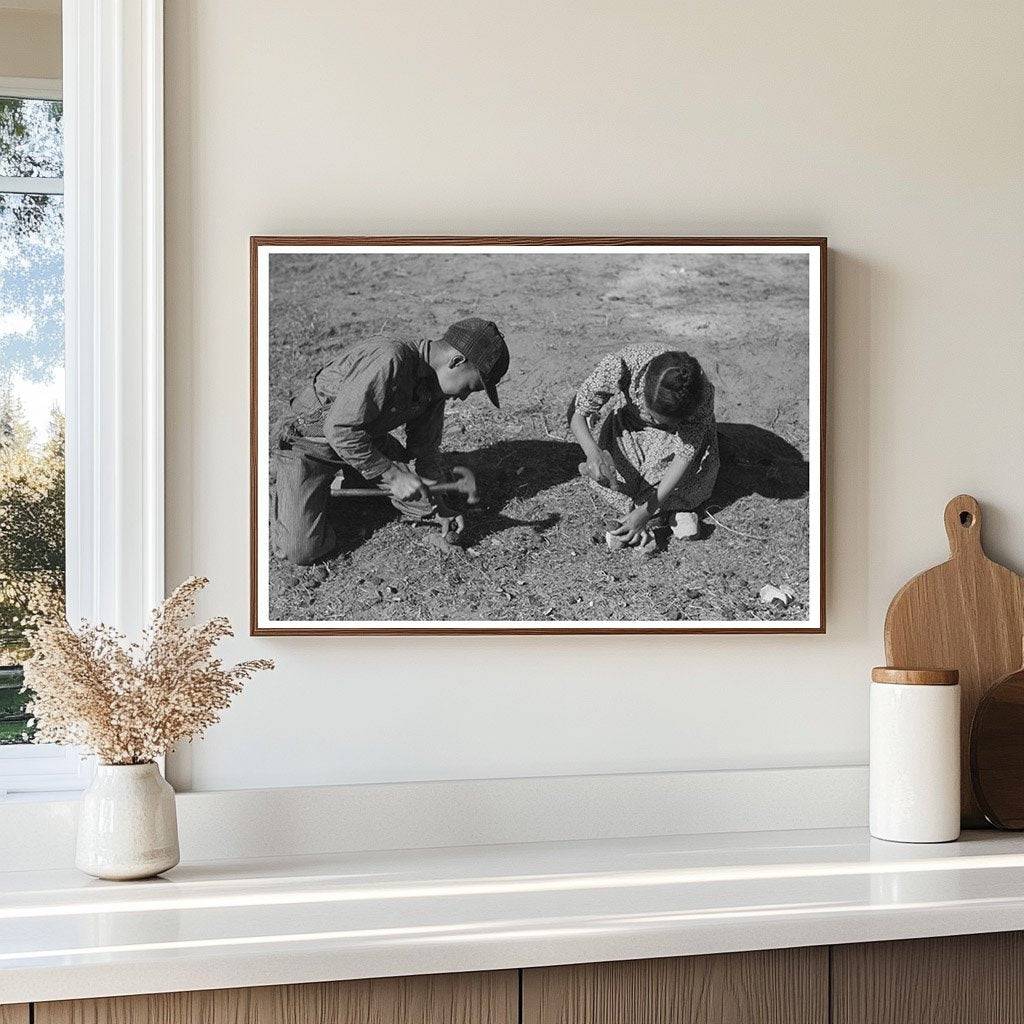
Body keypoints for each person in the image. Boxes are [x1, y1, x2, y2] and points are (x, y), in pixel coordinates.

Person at [272, 317, 509, 564]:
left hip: (365, 442)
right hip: (308, 444)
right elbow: (339, 428)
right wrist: (392, 475)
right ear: (457, 361)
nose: (464, 398)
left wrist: (439, 508)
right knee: (301, 549)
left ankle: (344, 480)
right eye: (470, 387)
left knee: (422, 505)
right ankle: (287, 486)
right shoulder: (391, 358)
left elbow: (425, 450)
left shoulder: (436, 385)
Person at [569, 343, 719, 552]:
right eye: (655, 415)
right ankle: (665, 512)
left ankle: (666, 512)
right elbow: (579, 414)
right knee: (622, 477)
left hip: (675, 439)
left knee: (681, 477)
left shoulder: (700, 396)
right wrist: (593, 453)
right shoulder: (625, 364)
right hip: (631, 428)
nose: (657, 423)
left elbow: (685, 455)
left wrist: (647, 510)